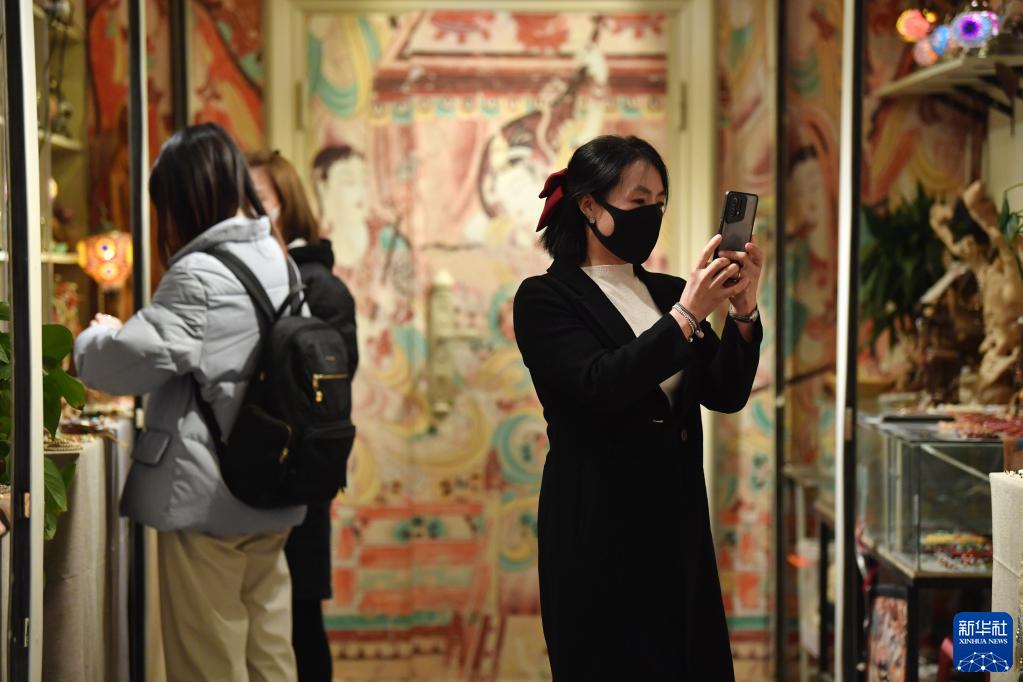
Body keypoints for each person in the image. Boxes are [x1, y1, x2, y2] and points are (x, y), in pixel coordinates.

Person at [513, 135, 764, 680]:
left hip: (678, 526)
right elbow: (601, 383)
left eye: (659, 203)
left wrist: (743, 311)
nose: (651, 214)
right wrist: (688, 316)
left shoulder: (669, 291)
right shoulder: (545, 298)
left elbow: (724, 393)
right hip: (597, 530)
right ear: (589, 206)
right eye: (638, 201)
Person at [73, 123, 304, 682]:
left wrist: (96, 336)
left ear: (181, 200)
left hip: (208, 497)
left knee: (208, 662)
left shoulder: (199, 275)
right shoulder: (277, 259)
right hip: (273, 483)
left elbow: (122, 363)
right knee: (270, 650)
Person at [250, 149, 359, 681]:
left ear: (287, 204)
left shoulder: (317, 286)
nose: (248, 213)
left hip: (298, 475)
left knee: (298, 624)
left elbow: (328, 396)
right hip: (264, 475)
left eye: (259, 200)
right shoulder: (264, 277)